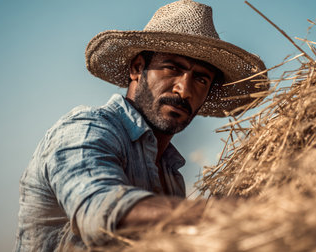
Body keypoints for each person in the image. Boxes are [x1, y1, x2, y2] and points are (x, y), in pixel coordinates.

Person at [15, 0, 267, 251]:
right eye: (172, 68)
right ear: (137, 68)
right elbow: (101, 211)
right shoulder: (86, 129)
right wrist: (225, 212)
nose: (184, 90)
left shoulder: (170, 173)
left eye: (200, 79)